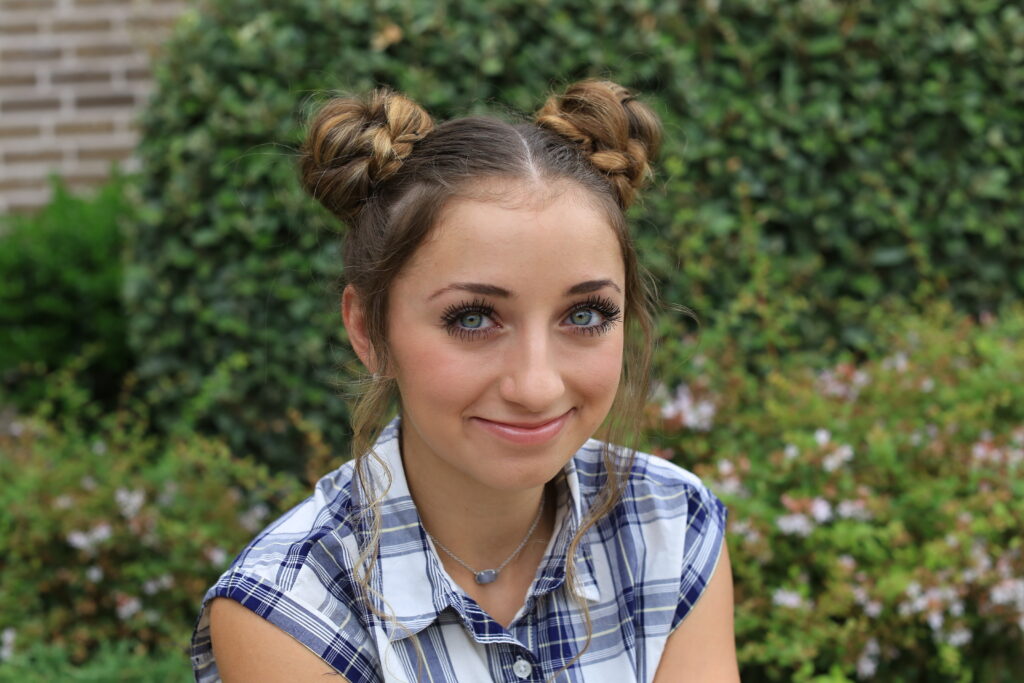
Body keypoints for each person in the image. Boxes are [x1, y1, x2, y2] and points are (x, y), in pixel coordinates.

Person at [190, 79, 738, 682]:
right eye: (473, 319)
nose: (536, 386)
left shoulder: (669, 523)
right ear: (369, 331)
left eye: (585, 316)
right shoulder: (290, 609)